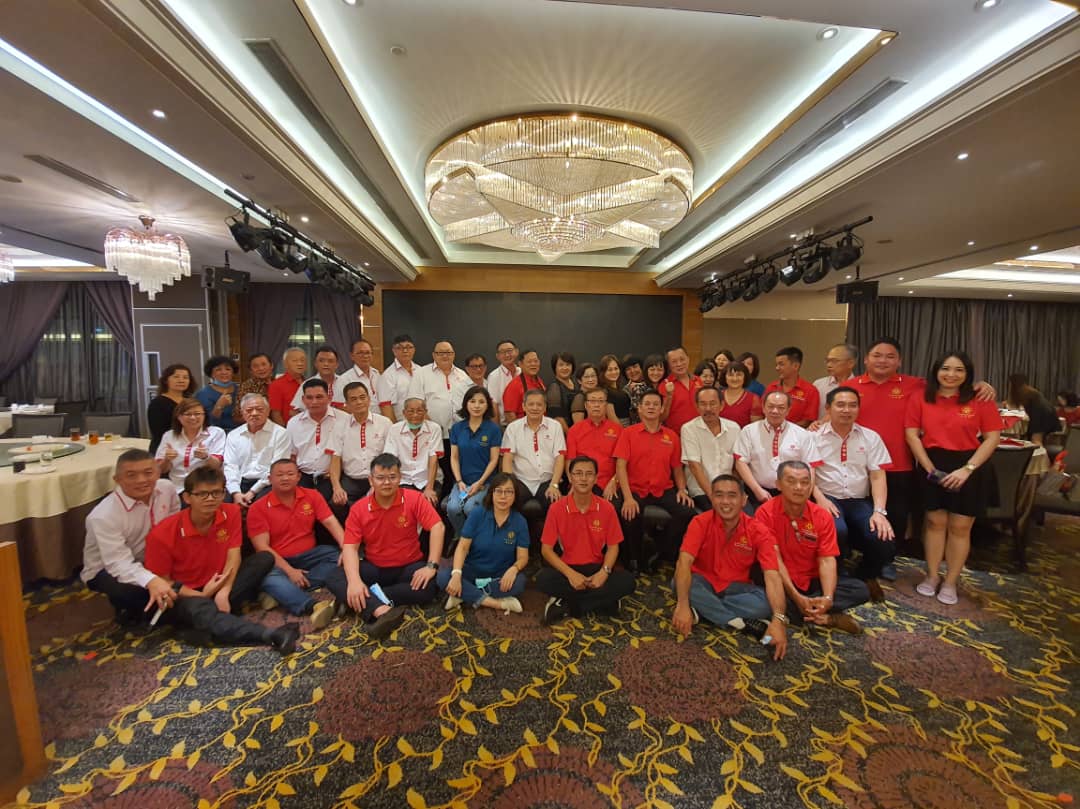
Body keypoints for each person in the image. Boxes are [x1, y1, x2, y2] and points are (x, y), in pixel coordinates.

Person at [848, 337, 996, 579]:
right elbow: (835, 412)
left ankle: (887, 559)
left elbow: (952, 383)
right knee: (858, 514)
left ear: (899, 361)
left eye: (890, 356)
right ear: (866, 359)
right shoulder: (852, 385)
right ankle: (860, 557)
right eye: (877, 355)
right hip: (859, 465)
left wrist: (983, 385)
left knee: (896, 517)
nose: (883, 360)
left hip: (899, 464)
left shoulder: (915, 386)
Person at [143, 466, 300, 654]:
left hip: (220, 581)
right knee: (199, 609)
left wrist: (223, 592)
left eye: (216, 493)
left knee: (264, 559)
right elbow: (163, 582)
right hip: (186, 594)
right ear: (187, 498)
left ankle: (203, 626)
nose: (210, 499)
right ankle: (271, 634)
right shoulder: (162, 533)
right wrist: (203, 595)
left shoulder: (231, 512)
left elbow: (233, 556)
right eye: (202, 494)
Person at [905, 351, 1002, 605]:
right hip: (932, 463)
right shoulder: (921, 396)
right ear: (936, 371)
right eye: (945, 368)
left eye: (959, 370)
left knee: (960, 527)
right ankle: (932, 576)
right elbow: (912, 434)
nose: (951, 374)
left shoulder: (980, 399)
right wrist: (929, 468)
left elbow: (992, 438)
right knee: (934, 522)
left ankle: (950, 581)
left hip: (969, 465)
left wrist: (967, 469)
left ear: (968, 374)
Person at [323, 453, 445, 639]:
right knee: (334, 575)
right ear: (371, 480)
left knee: (431, 585)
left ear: (400, 478)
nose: (387, 483)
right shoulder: (359, 509)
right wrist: (354, 582)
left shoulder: (414, 498)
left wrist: (431, 565)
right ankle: (381, 610)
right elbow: (350, 548)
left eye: (392, 477)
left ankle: (355, 600)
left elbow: (438, 527)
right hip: (375, 567)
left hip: (409, 566)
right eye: (380, 478)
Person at [671, 475, 787, 660]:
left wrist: (778, 620)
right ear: (712, 498)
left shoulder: (759, 531)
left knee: (765, 603)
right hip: (702, 581)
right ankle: (740, 624)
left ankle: (703, 610)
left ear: (744, 500)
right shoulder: (699, 522)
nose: (725, 501)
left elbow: (772, 575)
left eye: (732, 495)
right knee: (679, 582)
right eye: (719, 495)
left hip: (736, 588)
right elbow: (683, 562)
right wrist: (683, 605)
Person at [755, 461, 869, 634]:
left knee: (860, 590)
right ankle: (824, 617)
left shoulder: (822, 515)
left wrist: (828, 598)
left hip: (812, 580)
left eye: (805, 482)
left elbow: (827, 560)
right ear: (778, 484)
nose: (799, 487)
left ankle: (811, 612)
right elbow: (774, 562)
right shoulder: (764, 513)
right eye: (791, 481)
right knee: (763, 594)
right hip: (781, 581)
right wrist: (796, 597)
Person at [811, 387, 894, 599]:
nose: (846, 410)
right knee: (836, 530)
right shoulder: (813, 437)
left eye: (852, 405)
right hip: (827, 497)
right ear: (828, 408)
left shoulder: (870, 437)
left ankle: (865, 574)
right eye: (840, 405)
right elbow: (808, 474)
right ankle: (837, 575)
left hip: (859, 501)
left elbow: (878, 476)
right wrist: (819, 499)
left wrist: (880, 512)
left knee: (882, 536)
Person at [81, 449, 180, 622]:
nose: (141, 480)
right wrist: (152, 580)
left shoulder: (167, 488)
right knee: (136, 592)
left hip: (154, 556)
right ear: (117, 480)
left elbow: (174, 525)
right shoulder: (103, 516)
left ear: (158, 472)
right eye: (131, 475)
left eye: (148, 473)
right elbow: (118, 563)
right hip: (109, 568)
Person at [537, 456, 636, 624]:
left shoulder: (607, 508)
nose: (583, 478)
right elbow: (546, 550)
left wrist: (604, 573)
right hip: (567, 569)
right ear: (570, 477)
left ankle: (568, 605)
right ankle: (602, 602)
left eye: (589, 474)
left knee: (628, 582)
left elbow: (613, 547)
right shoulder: (556, 509)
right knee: (542, 579)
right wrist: (571, 575)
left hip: (596, 568)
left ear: (596, 478)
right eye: (578, 473)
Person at [247, 459, 343, 624]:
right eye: (280, 475)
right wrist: (290, 571)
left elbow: (331, 522)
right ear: (270, 479)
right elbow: (262, 548)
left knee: (338, 556)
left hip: (309, 556)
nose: (285, 478)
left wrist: (347, 549)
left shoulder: (312, 495)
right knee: (267, 577)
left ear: (298, 477)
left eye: (290, 474)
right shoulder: (258, 508)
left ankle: (282, 591)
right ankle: (311, 605)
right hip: (277, 562)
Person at [614, 389, 696, 572]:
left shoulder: (672, 436)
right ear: (639, 409)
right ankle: (634, 559)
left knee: (687, 512)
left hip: (663, 489)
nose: (651, 407)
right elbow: (620, 467)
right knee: (629, 514)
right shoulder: (628, 433)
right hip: (635, 488)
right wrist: (628, 498)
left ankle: (661, 552)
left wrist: (682, 490)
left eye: (655, 404)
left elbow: (677, 468)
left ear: (662, 409)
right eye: (647, 404)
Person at [437, 472, 529, 613]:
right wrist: (456, 574)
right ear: (491, 493)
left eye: (509, 492)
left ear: (515, 495)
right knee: (443, 577)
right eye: (498, 491)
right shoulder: (478, 513)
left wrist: (514, 569)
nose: (503, 496)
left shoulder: (520, 521)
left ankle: (464, 595)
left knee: (520, 583)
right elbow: (462, 547)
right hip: (473, 570)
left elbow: (523, 557)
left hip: (500, 574)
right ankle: (497, 603)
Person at [733, 391, 822, 510]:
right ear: (763, 408)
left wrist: (804, 496)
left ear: (788, 410)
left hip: (793, 493)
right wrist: (757, 490)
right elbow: (740, 462)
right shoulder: (748, 431)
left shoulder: (801, 434)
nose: (775, 411)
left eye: (781, 407)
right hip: (756, 491)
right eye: (770, 406)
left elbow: (810, 467)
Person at [407, 339, 473, 490]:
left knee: (457, 470)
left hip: (459, 434)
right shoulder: (422, 374)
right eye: (440, 353)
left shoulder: (462, 375)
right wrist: (432, 426)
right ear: (434, 355)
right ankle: (442, 499)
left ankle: (456, 497)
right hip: (433, 434)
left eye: (448, 352)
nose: (445, 356)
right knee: (439, 472)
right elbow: (416, 404)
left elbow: (470, 400)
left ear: (454, 354)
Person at [444, 386, 502, 537]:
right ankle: (462, 538)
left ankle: (473, 539)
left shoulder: (493, 429)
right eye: (472, 401)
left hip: (485, 482)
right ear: (466, 404)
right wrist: (459, 481)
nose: (477, 406)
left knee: (470, 508)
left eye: (481, 402)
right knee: (453, 509)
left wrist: (480, 482)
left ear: (487, 405)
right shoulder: (457, 428)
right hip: (462, 482)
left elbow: (494, 460)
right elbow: (454, 457)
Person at [328, 381, 391, 508]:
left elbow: (390, 458)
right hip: (351, 479)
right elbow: (335, 459)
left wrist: (379, 483)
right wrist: (337, 488)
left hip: (379, 478)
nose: (359, 402)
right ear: (346, 404)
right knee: (336, 503)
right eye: (353, 399)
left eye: (362, 397)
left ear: (369, 399)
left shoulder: (385, 423)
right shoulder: (339, 426)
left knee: (374, 505)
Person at [223, 393, 291, 506]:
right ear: (242, 412)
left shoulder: (280, 434)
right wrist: (235, 492)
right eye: (249, 410)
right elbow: (230, 466)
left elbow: (277, 468)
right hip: (240, 482)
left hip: (268, 483)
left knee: (260, 505)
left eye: (259, 409)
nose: (254, 413)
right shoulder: (234, 435)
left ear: (268, 411)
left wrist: (252, 492)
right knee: (224, 505)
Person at [681, 387, 740, 512]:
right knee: (722, 515)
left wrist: (735, 489)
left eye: (712, 403)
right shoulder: (689, 429)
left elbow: (738, 464)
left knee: (748, 515)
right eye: (703, 404)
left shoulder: (734, 428)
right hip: (702, 490)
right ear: (697, 407)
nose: (708, 408)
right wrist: (713, 496)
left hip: (729, 488)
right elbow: (694, 466)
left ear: (722, 405)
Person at [286, 378, 343, 507]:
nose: (314, 402)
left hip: (331, 477)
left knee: (333, 504)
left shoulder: (343, 419)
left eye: (319, 397)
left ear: (329, 398)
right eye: (309, 398)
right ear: (303, 399)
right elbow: (291, 455)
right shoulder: (294, 423)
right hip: (303, 476)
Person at [155, 398, 226, 493]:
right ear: (179, 417)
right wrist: (166, 460)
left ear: (204, 416)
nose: (193, 417)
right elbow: (160, 470)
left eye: (197, 414)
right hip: (177, 487)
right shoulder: (169, 435)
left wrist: (206, 457)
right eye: (188, 414)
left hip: (206, 486)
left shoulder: (216, 433)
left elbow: (217, 465)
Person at [384, 396, 444, 505]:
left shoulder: (434, 428)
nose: (415, 415)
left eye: (419, 411)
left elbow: (433, 458)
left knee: (427, 504)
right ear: (404, 413)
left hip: (428, 480)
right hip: (403, 480)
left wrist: (429, 488)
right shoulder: (394, 429)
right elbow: (390, 459)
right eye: (411, 411)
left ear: (425, 412)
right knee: (405, 505)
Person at [565, 387, 622, 500]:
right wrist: (573, 483)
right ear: (586, 405)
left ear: (606, 405)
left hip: (609, 483)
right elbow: (569, 461)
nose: (596, 405)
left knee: (614, 505)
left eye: (600, 401)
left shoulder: (618, 430)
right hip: (581, 482)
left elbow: (622, 463)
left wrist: (614, 481)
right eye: (592, 401)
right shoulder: (575, 430)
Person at [765, 347, 819, 428]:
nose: (777, 368)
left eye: (781, 364)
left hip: (797, 434)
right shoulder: (771, 387)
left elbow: (807, 421)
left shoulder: (810, 391)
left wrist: (785, 430)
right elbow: (763, 414)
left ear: (795, 366)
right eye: (776, 365)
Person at [147, 363, 195, 454]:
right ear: (166, 380)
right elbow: (158, 432)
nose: (181, 380)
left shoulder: (191, 401)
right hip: (166, 449)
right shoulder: (158, 403)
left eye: (185, 377)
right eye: (176, 377)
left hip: (189, 447)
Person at [1005, 374, 1060, 446]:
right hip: (1045, 413)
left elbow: (1014, 407)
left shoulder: (1023, 393)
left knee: (1036, 440)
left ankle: (1040, 453)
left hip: (1040, 414)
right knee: (1036, 439)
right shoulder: (1030, 392)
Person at [660, 346, 703, 434]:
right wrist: (669, 396)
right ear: (669, 365)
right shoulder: (664, 385)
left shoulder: (698, 380)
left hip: (700, 433)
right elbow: (661, 417)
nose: (679, 364)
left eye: (682, 359)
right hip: (676, 435)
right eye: (674, 361)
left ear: (688, 359)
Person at [290, 344, 345, 412]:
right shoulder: (307, 384)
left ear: (337, 364)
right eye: (321, 361)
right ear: (315, 364)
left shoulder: (346, 383)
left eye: (330, 361)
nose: (326, 364)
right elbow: (294, 411)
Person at [812, 344, 858, 421]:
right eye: (827, 361)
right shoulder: (818, 384)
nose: (829, 365)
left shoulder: (859, 386)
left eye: (834, 361)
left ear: (851, 363)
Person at [378, 334, 417, 421]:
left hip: (422, 423)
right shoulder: (387, 376)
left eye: (409, 347)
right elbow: (385, 406)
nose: (405, 350)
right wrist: (395, 428)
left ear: (414, 350)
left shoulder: (420, 371)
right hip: (401, 424)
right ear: (394, 350)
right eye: (400, 348)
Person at [195, 356, 240, 433]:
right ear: (211, 374)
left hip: (242, 432)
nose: (224, 372)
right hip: (217, 434)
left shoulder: (241, 389)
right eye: (218, 369)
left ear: (233, 372)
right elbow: (207, 422)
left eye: (228, 369)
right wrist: (219, 406)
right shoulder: (203, 394)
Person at [502, 348, 546, 421]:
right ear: (520, 364)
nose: (533, 364)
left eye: (536, 361)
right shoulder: (514, 385)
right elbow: (509, 415)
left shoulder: (539, 381)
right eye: (529, 362)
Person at [268, 348, 307, 426]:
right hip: (289, 430)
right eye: (295, 360)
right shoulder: (277, 385)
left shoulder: (309, 382)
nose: (300, 363)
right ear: (285, 364)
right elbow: (276, 414)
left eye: (302, 360)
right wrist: (285, 432)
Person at [233, 353, 276, 424]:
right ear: (250, 370)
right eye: (256, 366)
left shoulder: (278, 383)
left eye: (264, 364)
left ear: (271, 366)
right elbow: (238, 416)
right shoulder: (246, 386)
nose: (261, 368)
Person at [718, 361, 763, 428]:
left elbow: (755, 429)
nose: (735, 378)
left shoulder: (753, 399)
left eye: (739, 375)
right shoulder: (717, 396)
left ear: (745, 377)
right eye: (730, 375)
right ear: (725, 377)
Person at [486, 339, 521, 426]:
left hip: (525, 423)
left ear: (516, 352)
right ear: (497, 356)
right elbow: (493, 405)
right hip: (505, 425)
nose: (507, 355)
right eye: (502, 352)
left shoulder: (522, 372)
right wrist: (497, 430)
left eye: (509, 351)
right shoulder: (494, 376)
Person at [336, 339, 381, 405]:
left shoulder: (376, 374)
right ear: (352, 356)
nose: (365, 356)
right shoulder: (344, 379)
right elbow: (340, 406)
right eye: (360, 353)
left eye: (368, 353)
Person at [547, 351, 578, 433]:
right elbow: (557, 417)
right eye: (561, 365)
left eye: (568, 364)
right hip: (563, 434)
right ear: (555, 367)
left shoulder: (576, 383)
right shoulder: (554, 388)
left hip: (578, 431)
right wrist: (571, 436)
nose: (565, 368)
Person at [599, 354, 633, 427]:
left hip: (629, 426)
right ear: (603, 372)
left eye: (616, 368)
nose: (614, 372)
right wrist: (624, 431)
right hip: (618, 428)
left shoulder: (621, 389)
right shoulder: (605, 391)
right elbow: (612, 417)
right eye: (610, 370)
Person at [621, 355, 649, 423]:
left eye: (635, 366)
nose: (632, 371)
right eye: (628, 369)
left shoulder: (651, 384)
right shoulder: (624, 392)